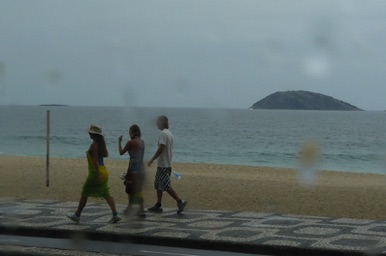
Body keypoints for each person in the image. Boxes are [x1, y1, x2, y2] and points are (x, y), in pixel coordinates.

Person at [67, 125, 121, 224]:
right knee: (106, 193)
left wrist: (97, 174)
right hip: (104, 170)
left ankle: (77, 215)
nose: (89, 133)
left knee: (85, 193)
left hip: (95, 172)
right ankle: (115, 215)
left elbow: (95, 160)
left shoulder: (94, 145)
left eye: (90, 132)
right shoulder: (101, 144)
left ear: (93, 134)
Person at [147, 116, 187, 214]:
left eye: (157, 122)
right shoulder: (169, 133)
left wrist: (152, 159)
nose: (156, 124)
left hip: (164, 165)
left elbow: (161, 148)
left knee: (165, 186)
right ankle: (158, 204)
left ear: (161, 123)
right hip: (166, 164)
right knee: (158, 185)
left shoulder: (163, 134)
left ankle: (180, 201)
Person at [118, 124, 146, 217]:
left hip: (133, 169)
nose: (129, 133)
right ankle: (139, 208)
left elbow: (121, 153)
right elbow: (141, 157)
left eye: (129, 131)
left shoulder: (130, 142)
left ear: (132, 132)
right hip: (141, 168)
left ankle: (133, 208)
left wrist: (119, 142)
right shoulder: (142, 142)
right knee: (138, 189)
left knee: (130, 189)